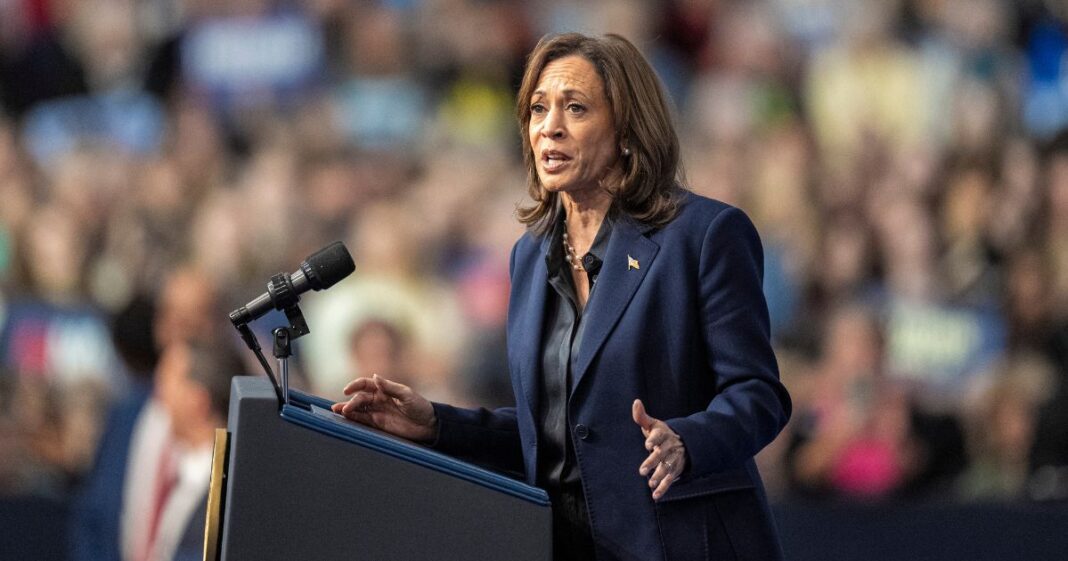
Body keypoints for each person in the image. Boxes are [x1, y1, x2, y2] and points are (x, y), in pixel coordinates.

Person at [333, 33, 791, 561]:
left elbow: (759, 396)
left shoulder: (704, 235)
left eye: (575, 108)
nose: (549, 126)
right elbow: (555, 434)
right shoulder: (530, 258)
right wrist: (437, 424)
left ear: (626, 129)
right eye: (537, 108)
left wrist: (688, 440)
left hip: (685, 541)